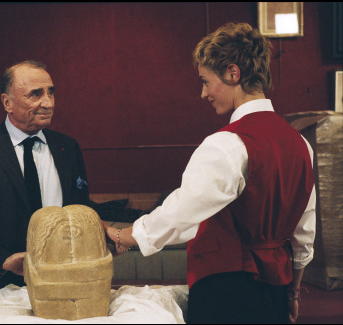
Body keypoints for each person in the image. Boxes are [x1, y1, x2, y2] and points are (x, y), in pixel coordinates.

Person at [103, 22, 315, 324]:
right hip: (276, 289)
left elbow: (183, 210)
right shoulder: (301, 144)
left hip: (226, 291)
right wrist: (293, 292)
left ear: (233, 73)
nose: (203, 93)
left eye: (205, 81)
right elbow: (304, 234)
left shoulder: (226, 144)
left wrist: (125, 235)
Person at [0, 60, 94, 313]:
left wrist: (103, 229)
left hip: (61, 285)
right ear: (7, 103)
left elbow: (79, 208)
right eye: (36, 94)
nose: (48, 102)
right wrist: (2, 260)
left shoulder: (68, 148)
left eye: (51, 92)